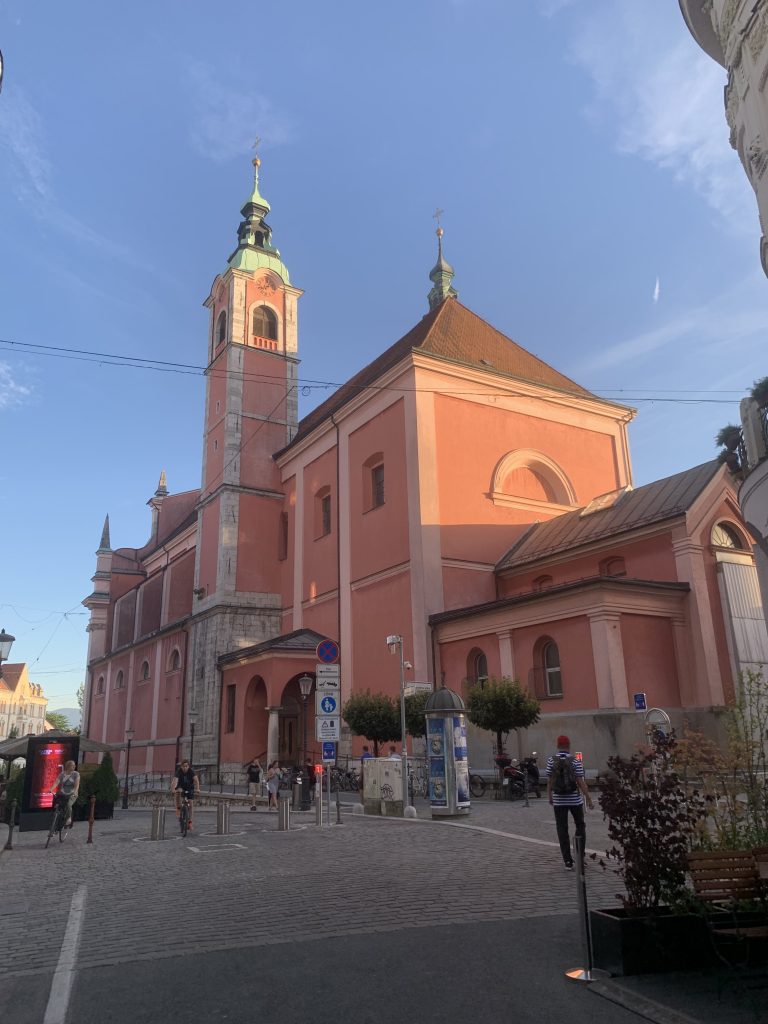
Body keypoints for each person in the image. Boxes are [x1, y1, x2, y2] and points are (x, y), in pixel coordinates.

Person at [546, 735, 593, 870]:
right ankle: (580, 856)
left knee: (562, 828)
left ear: (558, 746)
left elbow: (549, 781)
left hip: (559, 801)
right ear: (568, 745)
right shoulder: (575, 761)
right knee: (580, 826)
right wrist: (588, 798)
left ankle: (567, 860)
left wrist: (550, 796)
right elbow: (580, 781)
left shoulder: (551, 760)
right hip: (575, 800)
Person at [50, 760, 80, 828]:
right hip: (62, 793)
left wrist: (75, 792)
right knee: (56, 801)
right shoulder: (62, 774)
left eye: (74, 765)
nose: (74, 766)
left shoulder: (76, 774)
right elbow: (57, 782)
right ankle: (56, 816)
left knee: (68, 804)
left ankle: (69, 818)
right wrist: (51, 789)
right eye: (72, 765)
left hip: (72, 793)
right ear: (68, 766)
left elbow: (76, 785)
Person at [171, 759, 200, 831]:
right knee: (178, 793)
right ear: (181, 766)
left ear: (188, 766)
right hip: (181, 786)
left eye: (186, 766)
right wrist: (173, 789)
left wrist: (198, 789)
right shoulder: (179, 771)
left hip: (189, 787)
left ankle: (190, 822)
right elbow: (174, 781)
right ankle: (178, 808)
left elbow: (196, 780)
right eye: (183, 766)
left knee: (191, 804)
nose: (185, 768)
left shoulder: (191, 771)